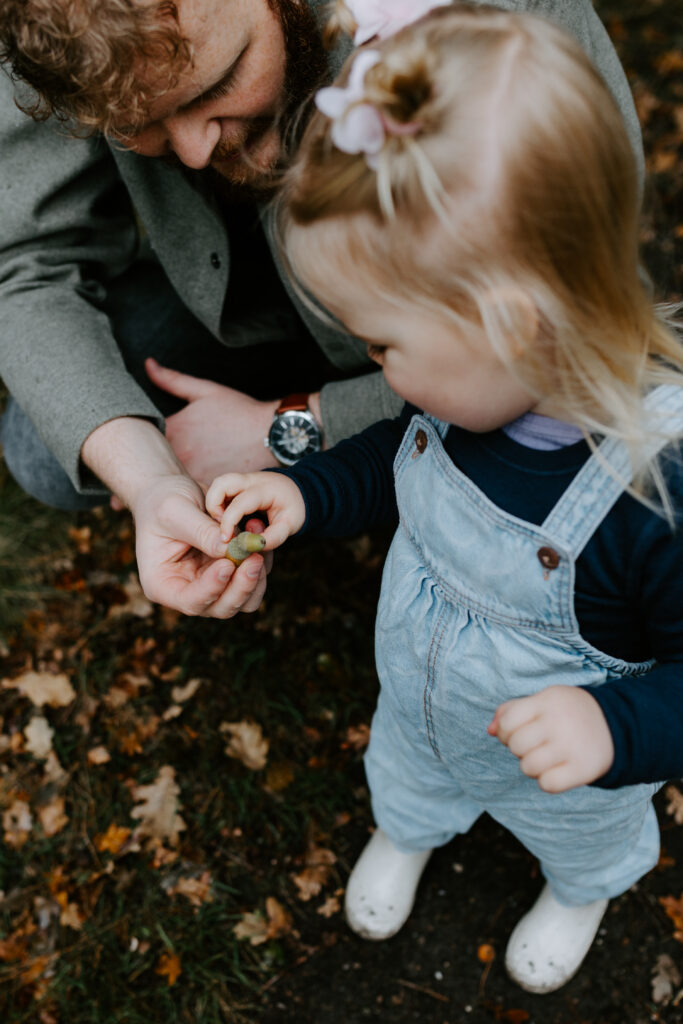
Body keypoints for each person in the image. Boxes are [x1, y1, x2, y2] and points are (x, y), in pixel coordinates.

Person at [203, 4, 683, 994]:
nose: (375, 368)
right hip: (424, 699)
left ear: (509, 325)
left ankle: (577, 890)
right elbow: (394, 457)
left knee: (577, 833)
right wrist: (304, 495)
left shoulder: (654, 494)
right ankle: (410, 827)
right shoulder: (470, 392)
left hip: (568, 761)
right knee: (410, 771)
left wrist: (613, 729)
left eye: (383, 345)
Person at [0, 0, 644, 619]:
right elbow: (26, 261)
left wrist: (287, 428)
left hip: (468, 325)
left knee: (517, 410)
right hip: (269, 306)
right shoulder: (43, 20)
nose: (194, 152)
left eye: (216, 84)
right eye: (135, 126)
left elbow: (582, 309)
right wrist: (147, 481)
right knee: (44, 446)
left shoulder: (502, 26)